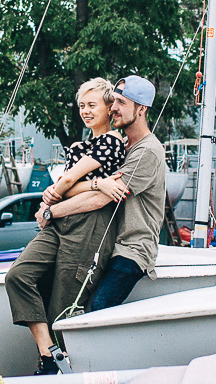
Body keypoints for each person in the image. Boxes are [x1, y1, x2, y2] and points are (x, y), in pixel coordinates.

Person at [4, 79, 127, 374]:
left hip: (90, 227)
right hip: (60, 221)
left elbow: (68, 182)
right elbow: (68, 186)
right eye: (82, 105)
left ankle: (60, 370)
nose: (85, 111)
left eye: (92, 105)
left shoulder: (112, 141)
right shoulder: (78, 147)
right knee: (18, 276)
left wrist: (60, 190)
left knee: (64, 302)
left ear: (109, 108)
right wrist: (94, 182)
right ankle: (49, 355)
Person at [50, 73, 165, 313]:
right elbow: (95, 185)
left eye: (121, 102)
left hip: (132, 248)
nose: (113, 108)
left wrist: (51, 212)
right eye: (112, 101)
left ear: (141, 108)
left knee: (99, 306)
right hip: (107, 241)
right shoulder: (123, 146)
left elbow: (102, 197)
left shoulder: (148, 152)